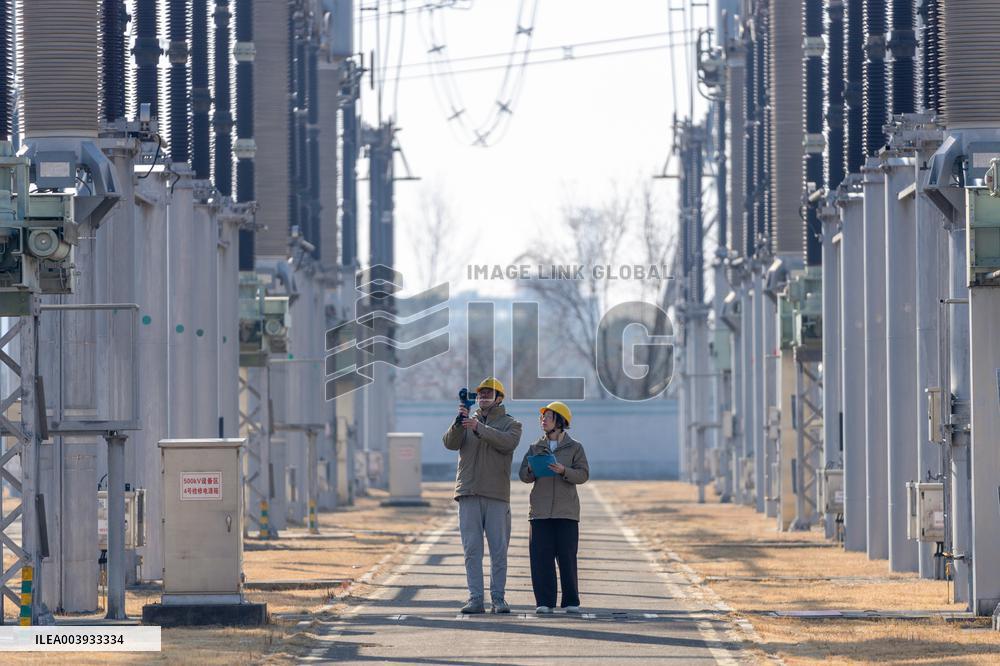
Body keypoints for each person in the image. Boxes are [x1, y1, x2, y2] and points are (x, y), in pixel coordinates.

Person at [442, 377, 523, 614]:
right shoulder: (467, 421)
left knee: (498, 550)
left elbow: (507, 443)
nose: (483, 398)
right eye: (480, 394)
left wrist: (479, 428)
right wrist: (459, 421)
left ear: (499, 398)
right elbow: (449, 443)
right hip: (467, 492)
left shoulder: (511, 424)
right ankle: (475, 598)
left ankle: (498, 598)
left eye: (489, 394)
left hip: (496, 494)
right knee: (472, 550)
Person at [518, 401, 589, 614]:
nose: (543, 420)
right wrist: (531, 469)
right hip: (539, 512)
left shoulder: (575, 447)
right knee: (541, 558)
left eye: (548, 417)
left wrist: (563, 470)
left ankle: (570, 602)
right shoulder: (535, 447)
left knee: (567, 557)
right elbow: (523, 475)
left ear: (560, 421)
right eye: (542, 417)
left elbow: (583, 475)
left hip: (566, 512)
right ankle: (544, 602)